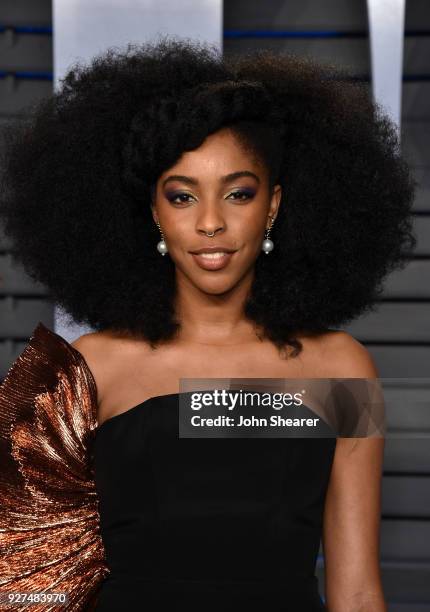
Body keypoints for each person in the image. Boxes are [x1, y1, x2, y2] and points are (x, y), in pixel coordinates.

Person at [0, 36, 416, 611]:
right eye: (182, 196)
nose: (211, 223)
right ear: (152, 210)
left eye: (238, 193)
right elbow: (25, 586)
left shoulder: (340, 368)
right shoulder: (82, 370)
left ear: (272, 205)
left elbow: (358, 591)